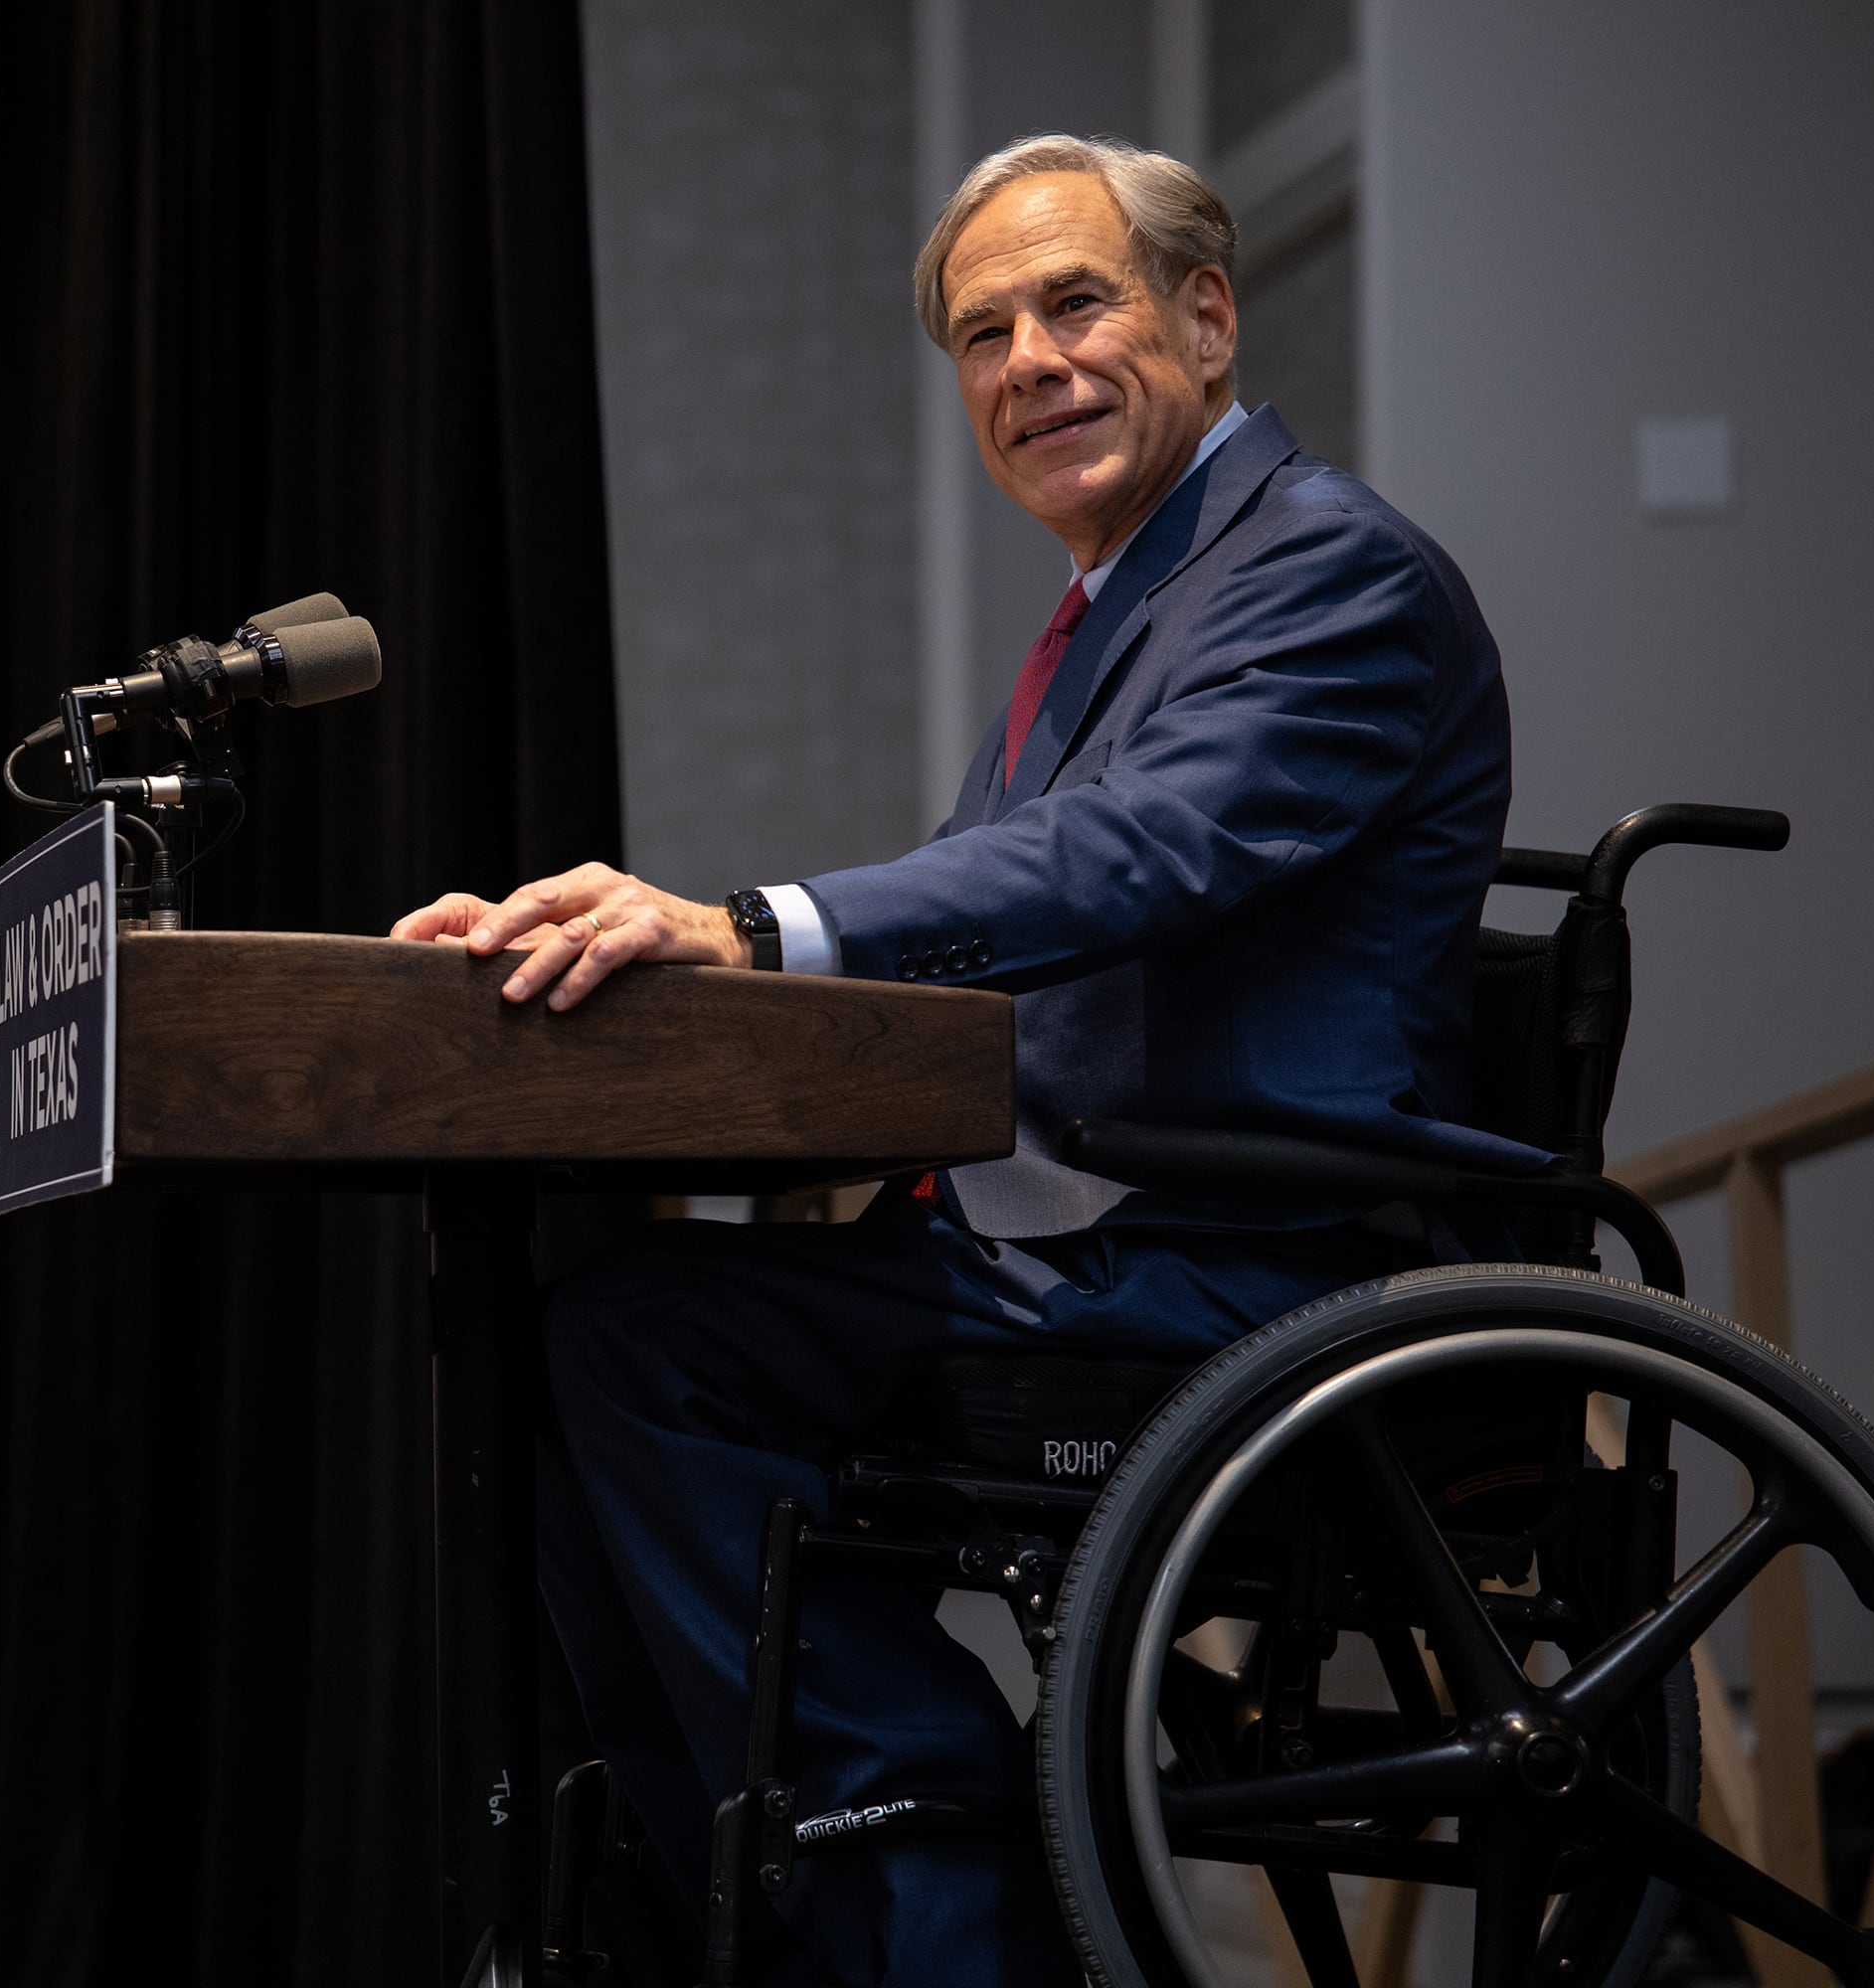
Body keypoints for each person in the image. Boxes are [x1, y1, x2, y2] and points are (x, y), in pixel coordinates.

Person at [391, 135, 1542, 1984]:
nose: (1029, 362)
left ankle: (939, 1890)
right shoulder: (1115, 614)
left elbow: (1134, 855)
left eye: (1075, 301)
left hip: (1242, 1271)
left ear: (1209, 314)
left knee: (638, 1342)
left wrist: (741, 925)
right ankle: (762, 1904)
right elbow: (988, 947)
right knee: (584, 1331)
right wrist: (630, 961)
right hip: (1060, 1236)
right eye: (983, 333)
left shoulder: (1327, 569)